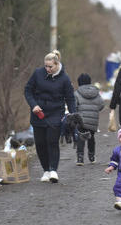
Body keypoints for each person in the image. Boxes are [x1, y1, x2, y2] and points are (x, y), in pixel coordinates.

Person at [24, 50, 76, 183]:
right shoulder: (37, 73)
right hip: (38, 113)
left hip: (55, 113)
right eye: (45, 66)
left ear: (57, 64)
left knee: (52, 142)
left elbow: (70, 98)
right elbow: (28, 90)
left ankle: (53, 170)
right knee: (40, 143)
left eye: (50, 67)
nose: (47, 69)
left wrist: (72, 114)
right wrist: (33, 105)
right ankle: (46, 170)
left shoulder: (64, 78)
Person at [74, 73, 104, 165]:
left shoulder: (76, 93)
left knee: (81, 137)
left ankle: (80, 158)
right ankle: (91, 156)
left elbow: (74, 106)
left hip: (81, 119)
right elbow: (101, 105)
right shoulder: (96, 92)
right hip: (93, 120)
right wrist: (95, 110)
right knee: (91, 137)